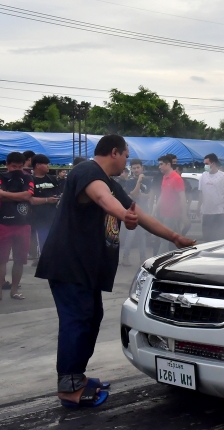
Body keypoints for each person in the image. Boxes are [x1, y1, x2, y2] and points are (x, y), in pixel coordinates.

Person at [35, 134, 194, 409]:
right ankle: (69, 386)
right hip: (68, 264)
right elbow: (101, 197)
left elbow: (139, 214)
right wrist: (122, 215)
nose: (127, 161)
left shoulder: (111, 183)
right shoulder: (87, 171)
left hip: (85, 267)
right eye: (126, 154)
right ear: (114, 152)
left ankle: (77, 376)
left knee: (91, 316)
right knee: (77, 320)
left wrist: (174, 236)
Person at [0, 152, 34, 300]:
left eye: (20, 166)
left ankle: (14, 290)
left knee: (20, 260)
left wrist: (4, 194)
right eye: (14, 166)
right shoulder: (1, 177)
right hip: (3, 223)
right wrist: (19, 195)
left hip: (23, 223)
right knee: (2, 260)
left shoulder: (27, 177)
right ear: (7, 164)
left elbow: (28, 195)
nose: (17, 169)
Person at [29, 154, 60, 266]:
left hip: (53, 214)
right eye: (46, 164)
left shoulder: (52, 179)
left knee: (54, 238)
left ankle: (53, 259)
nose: (48, 166)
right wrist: (47, 200)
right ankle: (40, 259)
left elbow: (58, 193)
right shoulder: (31, 180)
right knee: (40, 238)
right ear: (37, 165)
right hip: (38, 216)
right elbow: (30, 199)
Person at [153, 155, 188, 254]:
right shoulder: (165, 177)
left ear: (168, 164)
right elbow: (162, 195)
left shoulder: (176, 178)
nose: (159, 167)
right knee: (178, 239)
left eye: (161, 164)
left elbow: (183, 197)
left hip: (172, 215)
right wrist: (154, 211)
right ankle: (184, 256)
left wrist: (184, 215)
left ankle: (158, 264)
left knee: (164, 240)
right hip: (164, 213)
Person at [121, 158, 151, 266]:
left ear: (142, 168)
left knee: (141, 237)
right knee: (130, 235)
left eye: (138, 167)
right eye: (134, 168)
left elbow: (149, 195)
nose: (136, 170)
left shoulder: (147, 180)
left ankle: (142, 258)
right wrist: (138, 182)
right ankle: (125, 258)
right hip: (133, 212)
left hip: (144, 211)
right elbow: (133, 195)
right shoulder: (129, 181)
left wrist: (140, 195)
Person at [198, 153, 224, 242]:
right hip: (206, 213)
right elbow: (201, 193)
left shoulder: (223, 176)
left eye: (206, 164)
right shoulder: (203, 176)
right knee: (206, 237)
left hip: (219, 213)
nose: (205, 166)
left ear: (213, 164)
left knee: (219, 238)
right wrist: (199, 207)